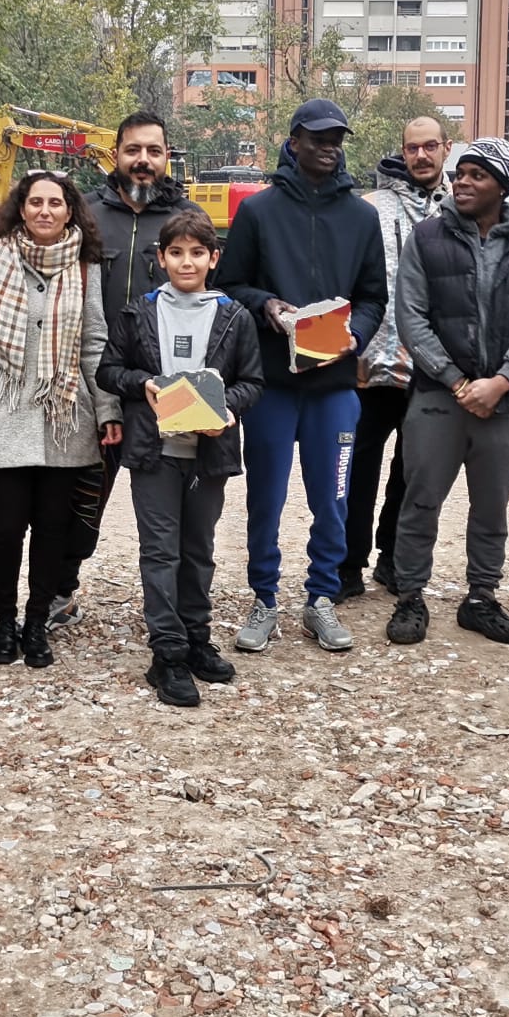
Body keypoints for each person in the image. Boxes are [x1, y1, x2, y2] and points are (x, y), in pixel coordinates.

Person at [214, 100, 388, 654]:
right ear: (294, 142)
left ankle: (321, 598)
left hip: (333, 385)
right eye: (317, 137)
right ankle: (264, 598)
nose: (329, 145)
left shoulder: (361, 217)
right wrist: (266, 306)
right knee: (265, 496)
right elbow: (231, 283)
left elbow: (374, 296)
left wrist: (354, 333)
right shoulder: (259, 212)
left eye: (337, 137)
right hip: (271, 384)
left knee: (332, 496)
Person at [386, 139, 509, 649]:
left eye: (477, 175)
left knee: (491, 506)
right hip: (439, 398)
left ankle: (481, 597)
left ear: (503, 185)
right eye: (460, 173)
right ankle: (410, 597)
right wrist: (458, 382)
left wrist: (501, 381)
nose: (461, 182)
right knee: (420, 501)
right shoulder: (427, 238)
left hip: (504, 402)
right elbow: (411, 317)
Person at [0, 170, 121, 670]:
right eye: (35, 202)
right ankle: (4, 622)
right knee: (6, 531)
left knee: (52, 528)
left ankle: (35, 621)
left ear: (71, 210)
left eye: (56, 202)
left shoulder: (85, 268)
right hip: (2, 415)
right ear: (20, 209)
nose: (45, 210)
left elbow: (95, 344)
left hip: (64, 417)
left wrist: (108, 409)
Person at [98, 209, 263, 707]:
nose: (186, 262)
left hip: (208, 451)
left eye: (197, 252)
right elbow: (109, 370)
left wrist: (227, 408)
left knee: (198, 550)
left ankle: (196, 638)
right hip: (155, 452)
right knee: (160, 551)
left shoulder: (235, 316)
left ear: (213, 258)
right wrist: (142, 384)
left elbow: (253, 383)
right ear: (161, 258)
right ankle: (166, 652)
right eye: (175, 253)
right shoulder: (138, 312)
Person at [52, 110, 187, 627]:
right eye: (134, 150)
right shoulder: (83, 215)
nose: (143, 161)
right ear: (117, 155)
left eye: (154, 151)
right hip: (94, 386)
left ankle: (173, 605)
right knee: (82, 499)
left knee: (170, 506)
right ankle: (62, 589)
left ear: (166, 156)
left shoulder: (184, 221)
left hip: (165, 388)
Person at [341, 114, 451, 601]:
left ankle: (394, 558)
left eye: (430, 146)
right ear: (402, 152)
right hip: (369, 366)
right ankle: (348, 564)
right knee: (356, 472)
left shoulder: (459, 207)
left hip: (432, 369)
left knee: (413, 470)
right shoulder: (370, 208)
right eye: (413, 148)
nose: (421, 156)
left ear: (446, 148)